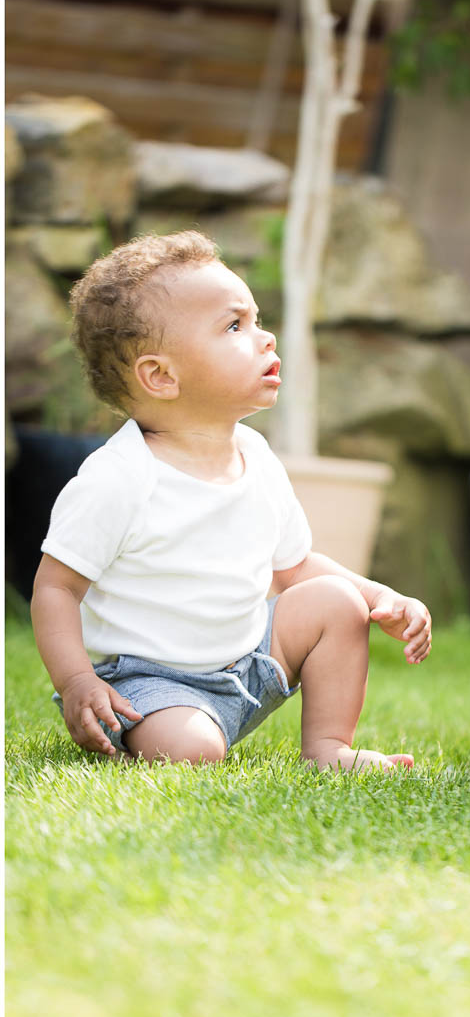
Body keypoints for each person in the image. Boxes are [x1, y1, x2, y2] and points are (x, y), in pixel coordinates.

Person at [31, 231, 433, 769]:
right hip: (148, 681)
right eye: (234, 326)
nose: (265, 339)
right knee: (194, 750)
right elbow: (56, 587)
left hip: (249, 662)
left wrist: (378, 595)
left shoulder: (258, 457)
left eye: (257, 319)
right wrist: (78, 681)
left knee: (336, 600)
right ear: (160, 376)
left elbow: (294, 568)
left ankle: (328, 748)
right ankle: (168, 731)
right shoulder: (118, 478)